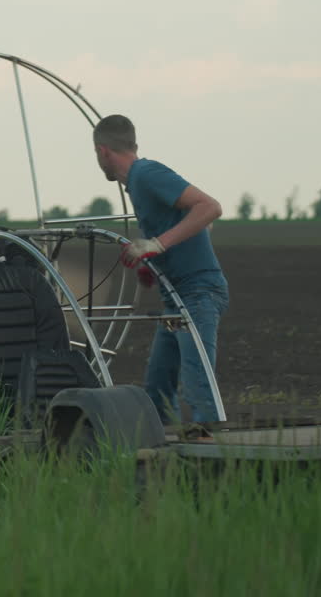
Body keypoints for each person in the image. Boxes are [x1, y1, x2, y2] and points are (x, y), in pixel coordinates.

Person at [92, 114, 230, 424]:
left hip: (198, 294)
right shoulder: (138, 185)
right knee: (158, 387)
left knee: (197, 386)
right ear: (133, 144)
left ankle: (210, 451)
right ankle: (162, 452)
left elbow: (210, 208)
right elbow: (197, 226)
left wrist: (158, 244)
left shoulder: (147, 174)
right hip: (176, 302)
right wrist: (151, 261)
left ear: (103, 152)